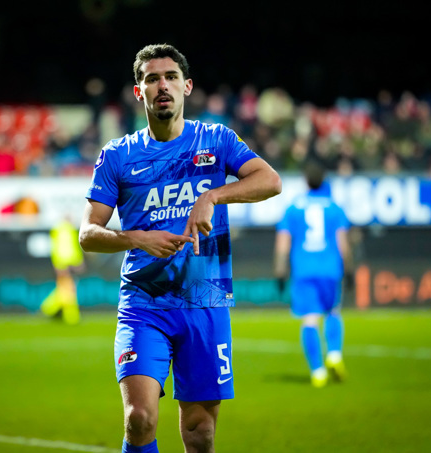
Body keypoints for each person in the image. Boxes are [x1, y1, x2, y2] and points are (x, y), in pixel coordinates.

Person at [79, 44, 281, 453]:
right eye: (152, 79)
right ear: (139, 92)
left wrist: (213, 196)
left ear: (186, 86)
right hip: (144, 303)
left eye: (171, 77)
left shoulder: (216, 139)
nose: (163, 86)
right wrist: (135, 238)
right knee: (139, 419)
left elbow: (270, 181)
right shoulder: (117, 156)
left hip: (204, 300)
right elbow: (87, 233)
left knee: (200, 432)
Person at [273, 159, 353, 388]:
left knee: (309, 319)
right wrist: (349, 268)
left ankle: (318, 372)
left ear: (306, 181)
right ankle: (334, 355)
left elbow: (283, 242)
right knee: (333, 311)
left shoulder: (293, 208)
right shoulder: (334, 208)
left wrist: (280, 271)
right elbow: (342, 242)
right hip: (330, 269)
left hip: (304, 270)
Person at [41, 215, 85, 325]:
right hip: (66, 262)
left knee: (65, 288)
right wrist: (77, 261)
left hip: (61, 262)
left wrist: (57, 263)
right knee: (68, 288)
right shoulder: (68, 230)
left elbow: (57, 248)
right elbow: (70, 248)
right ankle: (68, 315)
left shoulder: (57, 230)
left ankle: (51, 308)